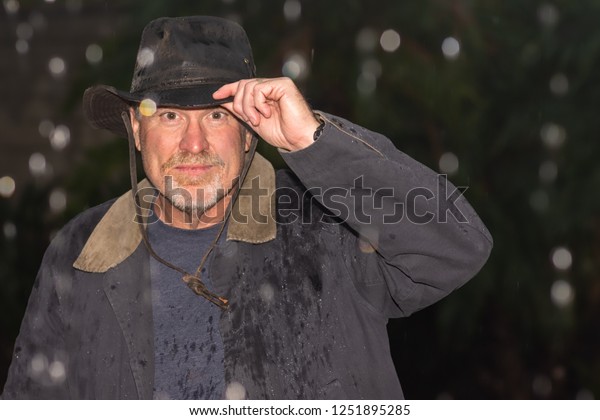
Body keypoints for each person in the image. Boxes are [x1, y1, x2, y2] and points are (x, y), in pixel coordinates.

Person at [1, 16, 492, 400]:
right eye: (169, 116)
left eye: (217, 115)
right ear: (135, 129)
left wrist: (314, 142)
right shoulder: (78, 252)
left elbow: (458, 247)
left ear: (248, 129)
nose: (194, 144)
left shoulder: (329, 224)